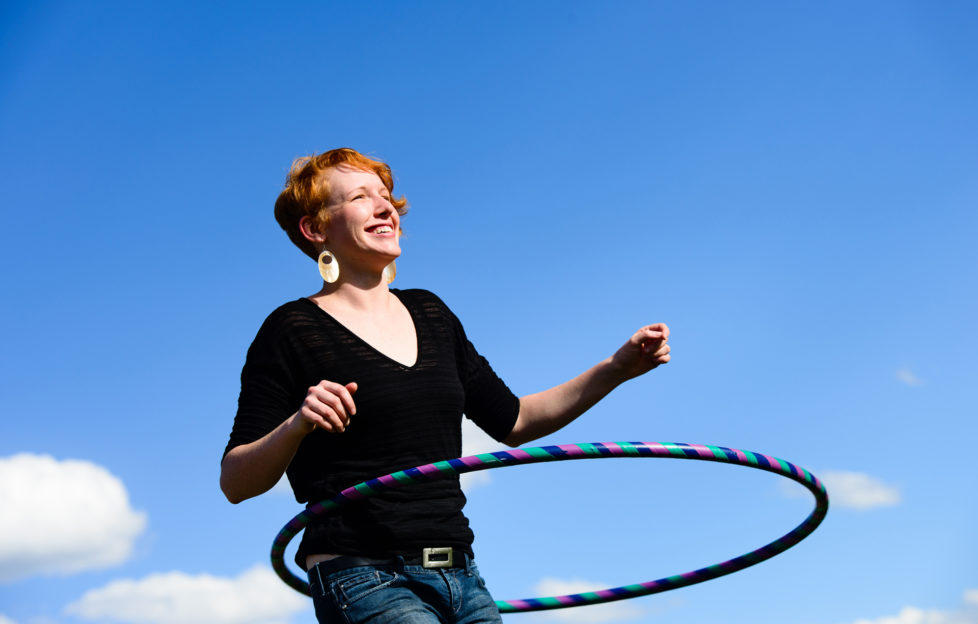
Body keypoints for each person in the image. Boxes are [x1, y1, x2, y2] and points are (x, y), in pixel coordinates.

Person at [220, 148, 671, 624]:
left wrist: (616, 369)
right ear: (315, 229)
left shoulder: (431, 313)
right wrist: (297, 424)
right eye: (359, 196)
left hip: (460, 574)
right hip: (364, 575)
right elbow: (235, 481)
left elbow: (514, 421)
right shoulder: (291, 329)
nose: (385, 207)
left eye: (386, 195)